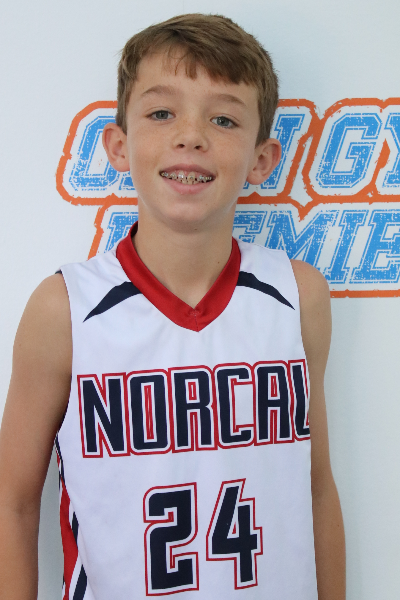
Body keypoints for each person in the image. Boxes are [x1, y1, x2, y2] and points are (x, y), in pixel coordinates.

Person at [0, 13, 345, 600]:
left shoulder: (298, 295)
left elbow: (314, 487)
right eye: (162, 113)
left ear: (262, 160)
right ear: (118, 145)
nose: (191, 136)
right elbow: (13, 501)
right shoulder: (65, 309)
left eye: (223, 118)